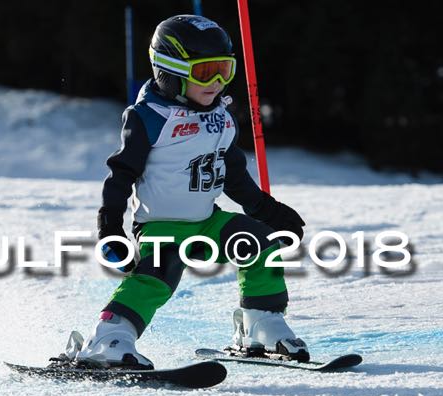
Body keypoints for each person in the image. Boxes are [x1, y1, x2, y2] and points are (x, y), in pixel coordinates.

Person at [68, 15, 308, 369]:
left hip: (206, 222)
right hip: (161, 225)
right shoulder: (149, 117)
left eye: (224, 71)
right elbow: (121, 175)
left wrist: (268, 211)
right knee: (158, 273)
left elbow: (234, 176)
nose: (216, 82)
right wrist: (110, 227)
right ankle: (109, 338)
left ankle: (261, 323)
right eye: (204, 72)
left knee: (257, 242)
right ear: (170, 71)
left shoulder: (221, 117)